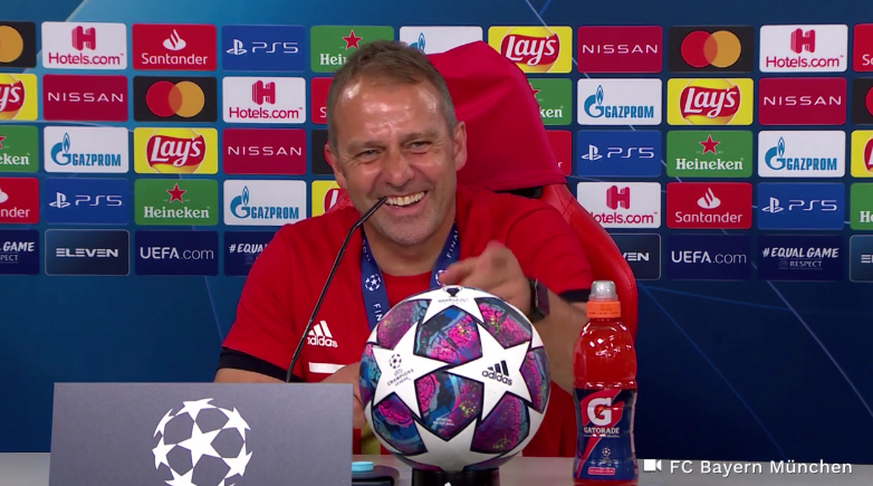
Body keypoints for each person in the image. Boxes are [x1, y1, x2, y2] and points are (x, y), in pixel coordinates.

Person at [214, 39, 593, 455]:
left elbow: (600, 376)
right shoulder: (295, 254)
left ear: (458, 145)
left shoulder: (528, 230)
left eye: (418, 145)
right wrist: (318, 409)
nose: (397, 174)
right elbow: (230, 427)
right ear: (338, 167)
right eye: (370, 152)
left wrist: (531, 303)